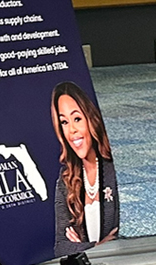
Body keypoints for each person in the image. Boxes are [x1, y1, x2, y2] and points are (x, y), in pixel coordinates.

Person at [51, 81, 118, 256]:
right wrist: (97, 246)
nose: (71, 130)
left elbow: (130, 237)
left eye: (77, 119)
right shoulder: (66, 179)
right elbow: (60, 247)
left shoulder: (115, 170)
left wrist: (81, 246)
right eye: (64, 122)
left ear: (91, 119)